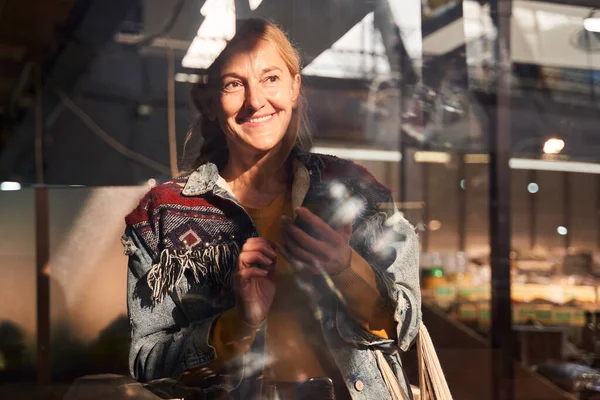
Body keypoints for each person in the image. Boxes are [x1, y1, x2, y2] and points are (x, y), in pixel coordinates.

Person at [123, 18, 421, 400]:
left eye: (271, 78)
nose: (255, 101)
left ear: (296, 86)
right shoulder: (163, 212)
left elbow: (404, 327)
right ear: (212, 104)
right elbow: (147, 361)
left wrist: (345, 267)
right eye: (234, 84)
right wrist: (239, 323)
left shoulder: (354, 191)